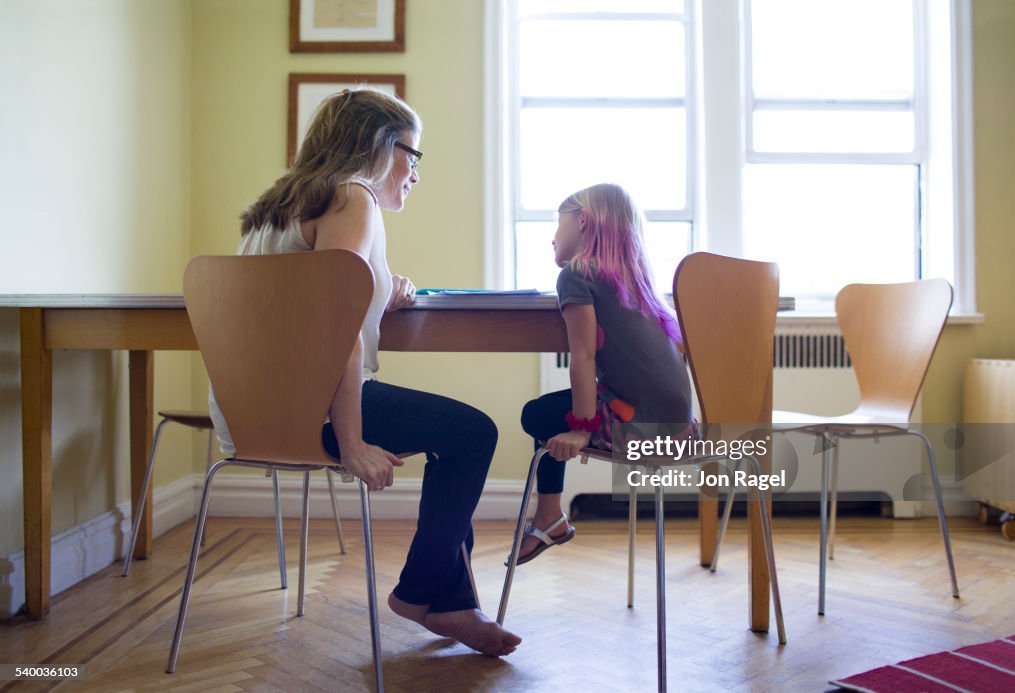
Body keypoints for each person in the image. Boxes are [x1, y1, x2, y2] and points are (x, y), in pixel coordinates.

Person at [208, 88, 521, 656]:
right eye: (414, 155)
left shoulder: (279, 208)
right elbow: (339, 326)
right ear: (380, 146)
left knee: (457, 437)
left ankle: (450, 602)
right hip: (315, 412)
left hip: (250, 412)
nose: (417, 172)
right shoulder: (354, 199)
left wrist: (383, 289)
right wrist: (351, 444)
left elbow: (316, 303)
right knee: (472, 433)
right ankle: (427, 595)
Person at [515, 183, 696, 564]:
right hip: (683, 432)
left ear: (582, 220)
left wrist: (581, 427)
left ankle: (549, 516)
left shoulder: (578, 274)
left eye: (558, 224)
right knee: (553, 411)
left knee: (537, 414)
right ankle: (550, 517)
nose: (552, 238)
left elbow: (581, 357)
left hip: (643, 431)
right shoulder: (634, 279)